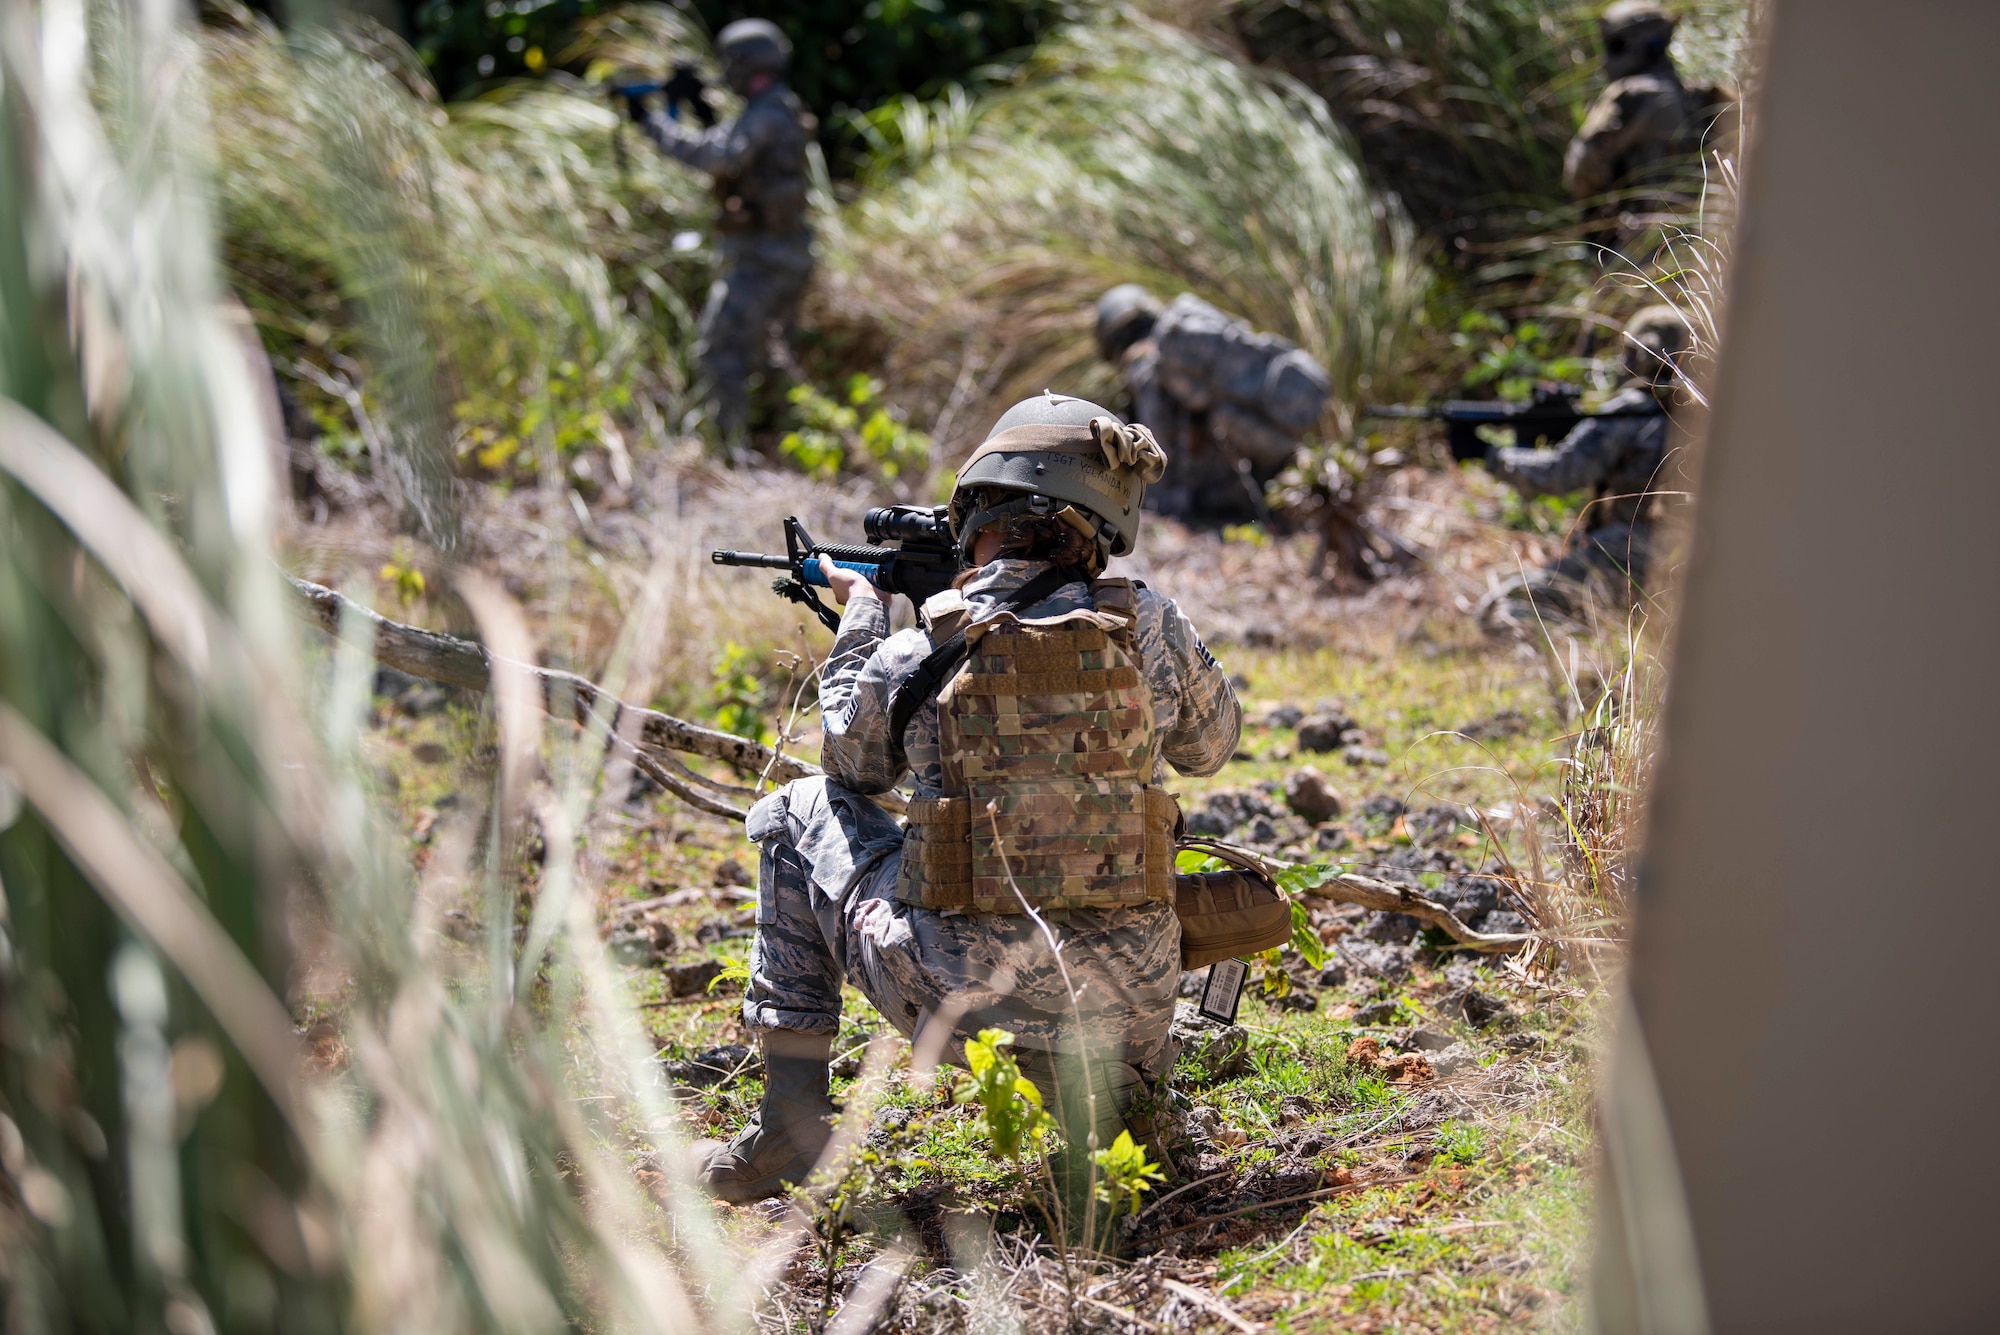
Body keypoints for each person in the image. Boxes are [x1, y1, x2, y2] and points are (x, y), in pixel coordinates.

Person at [694, 392, 1243, 1204]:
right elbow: (1212, 745)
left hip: (968, 1004)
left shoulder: (926, 644)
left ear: (979, 512)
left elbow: (850, 767)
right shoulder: (1149, 623)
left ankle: (791, 1122)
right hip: (1129, 1007)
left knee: (796, 812)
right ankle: (1118, 1109)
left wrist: (864, 617)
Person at [628, 19, 814, 442]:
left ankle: (729, 446)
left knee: (721, 351)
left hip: (764, 259)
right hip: (781, 253)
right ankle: (783, 442)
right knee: (774, 357)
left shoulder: (768, 112)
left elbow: (721, 156)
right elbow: (737, 148)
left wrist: (652, 124)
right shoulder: (776, 107)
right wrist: (698, 107)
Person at [1480, 305, 1692, 622]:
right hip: (1687, 563)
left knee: (1502, 606)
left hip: (1631, 554)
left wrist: (1492, 456)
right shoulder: (1707, 416)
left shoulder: (1632, 410)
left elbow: (1555, 474)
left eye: (1631, 353)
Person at [1094, 285, 1329, 522]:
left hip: (1238, 493)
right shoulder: (1192, 327)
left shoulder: (1145, 370)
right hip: (1287, 457)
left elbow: (1162, 456)